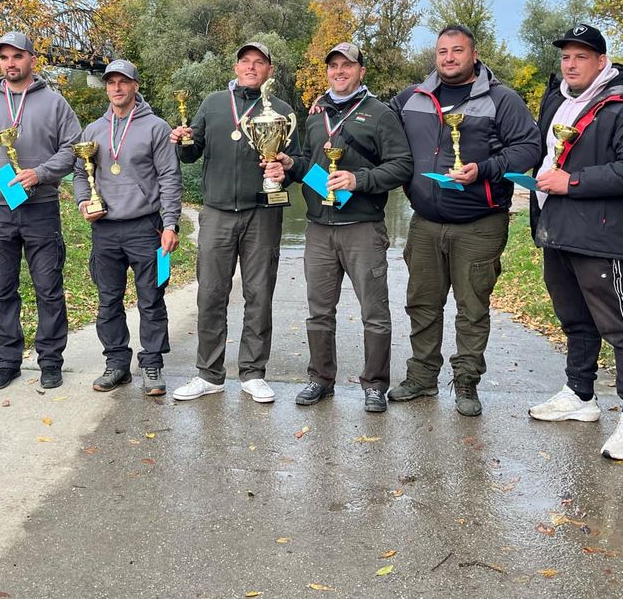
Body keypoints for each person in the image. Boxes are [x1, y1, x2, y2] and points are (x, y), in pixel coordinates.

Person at [526, 24, 623, 460]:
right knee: (575, 320)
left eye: (581, 57)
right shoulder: (558, 100)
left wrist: (574, 181)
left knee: (620, 325)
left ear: (601, 62)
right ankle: (580, 395)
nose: (570, 64)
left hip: (602, 235)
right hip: (557, 228)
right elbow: (544, 155)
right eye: (566, 57)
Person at [388, 25, 542, 416]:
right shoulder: (412, 98)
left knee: (472, 308)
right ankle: (422, 377)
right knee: (422, 304)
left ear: (474, 55)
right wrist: (330, 108)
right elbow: (375, 125)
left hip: (480, 222)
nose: (449, 58)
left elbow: (529, 147)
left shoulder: (501, 99)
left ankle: (467, 382)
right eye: (442, 51)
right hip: (424, 222)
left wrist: (486, 169)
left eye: (457, 50)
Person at [266, 42, 413, 413]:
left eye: (347, 65)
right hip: (319, 229)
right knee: (319, 310)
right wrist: (289, 164)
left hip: (363, 227)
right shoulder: (315, 115)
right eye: (333, 66)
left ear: (361, 70)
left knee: (374, 313)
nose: (340, 71)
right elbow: (307, 165)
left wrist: (358, 180)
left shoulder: (380, 114)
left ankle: (375, 384)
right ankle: (320, 378)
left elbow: (402, 166)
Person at [169, 41, 301, 404]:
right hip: (217, 212)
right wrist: (182, 141)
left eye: (260, 63)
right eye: (246, 61)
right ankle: (209, 374)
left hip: (263, 212)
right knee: (210, 294)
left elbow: (298, 161)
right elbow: (192, 151)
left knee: (259, 294)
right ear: (236, 65)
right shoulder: (212, 104)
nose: (252, 67)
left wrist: (284, 167)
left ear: (269, 71)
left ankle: (253, 374)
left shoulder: (283, 111)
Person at [0, 31, 80, 391]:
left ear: (32, 60)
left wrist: (40, 173)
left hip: (40, 208)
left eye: (17, 57)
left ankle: (51, 360)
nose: (10, 63)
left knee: (48, 287)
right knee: (1, 288)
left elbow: (73, 149)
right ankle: (8, 360)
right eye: (4, 58)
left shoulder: (55, 103)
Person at [73, 60, 182, 396]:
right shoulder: (92, 131)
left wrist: (170, 223)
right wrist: (82, 203)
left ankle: (152, 363)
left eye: (123, 82)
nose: (117, 88)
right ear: (105, 87)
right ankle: (117, 363)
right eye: (111, 83)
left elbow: (169, 177)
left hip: (145, 226)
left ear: (135, 85)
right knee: (108, 301)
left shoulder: (156, 127)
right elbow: (80, 174)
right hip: (105, 229)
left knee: (151, 299)